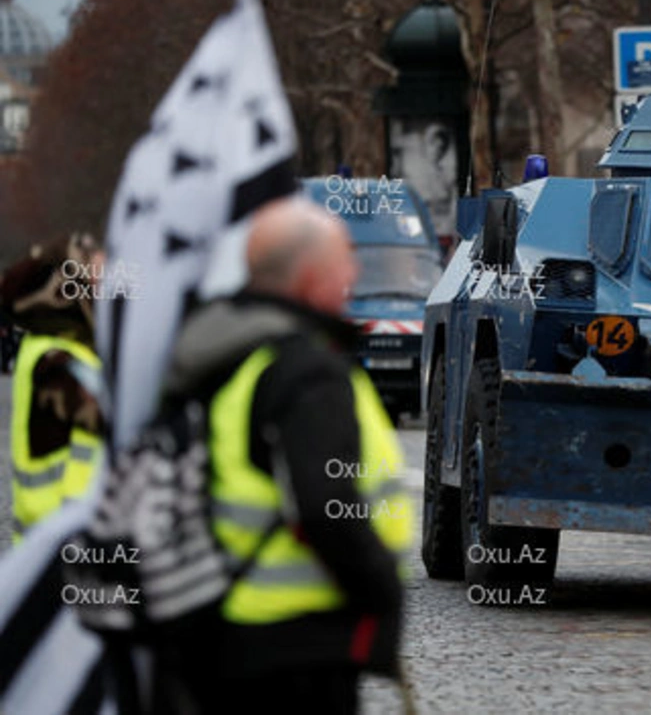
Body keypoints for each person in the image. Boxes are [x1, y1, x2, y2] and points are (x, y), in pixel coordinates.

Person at [164, 198, 411, 714]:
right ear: (310, 278)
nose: (354, 273)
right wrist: (381, 588)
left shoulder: (235, 356)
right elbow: (325, 506)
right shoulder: (308, 372)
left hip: (234, 631)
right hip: (301, 648)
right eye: (345, 258)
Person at [0, 234, 104, 544]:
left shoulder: (44, 344)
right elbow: (117, 424)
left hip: (46, 530)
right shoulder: (62, 359)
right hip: (73, 531)